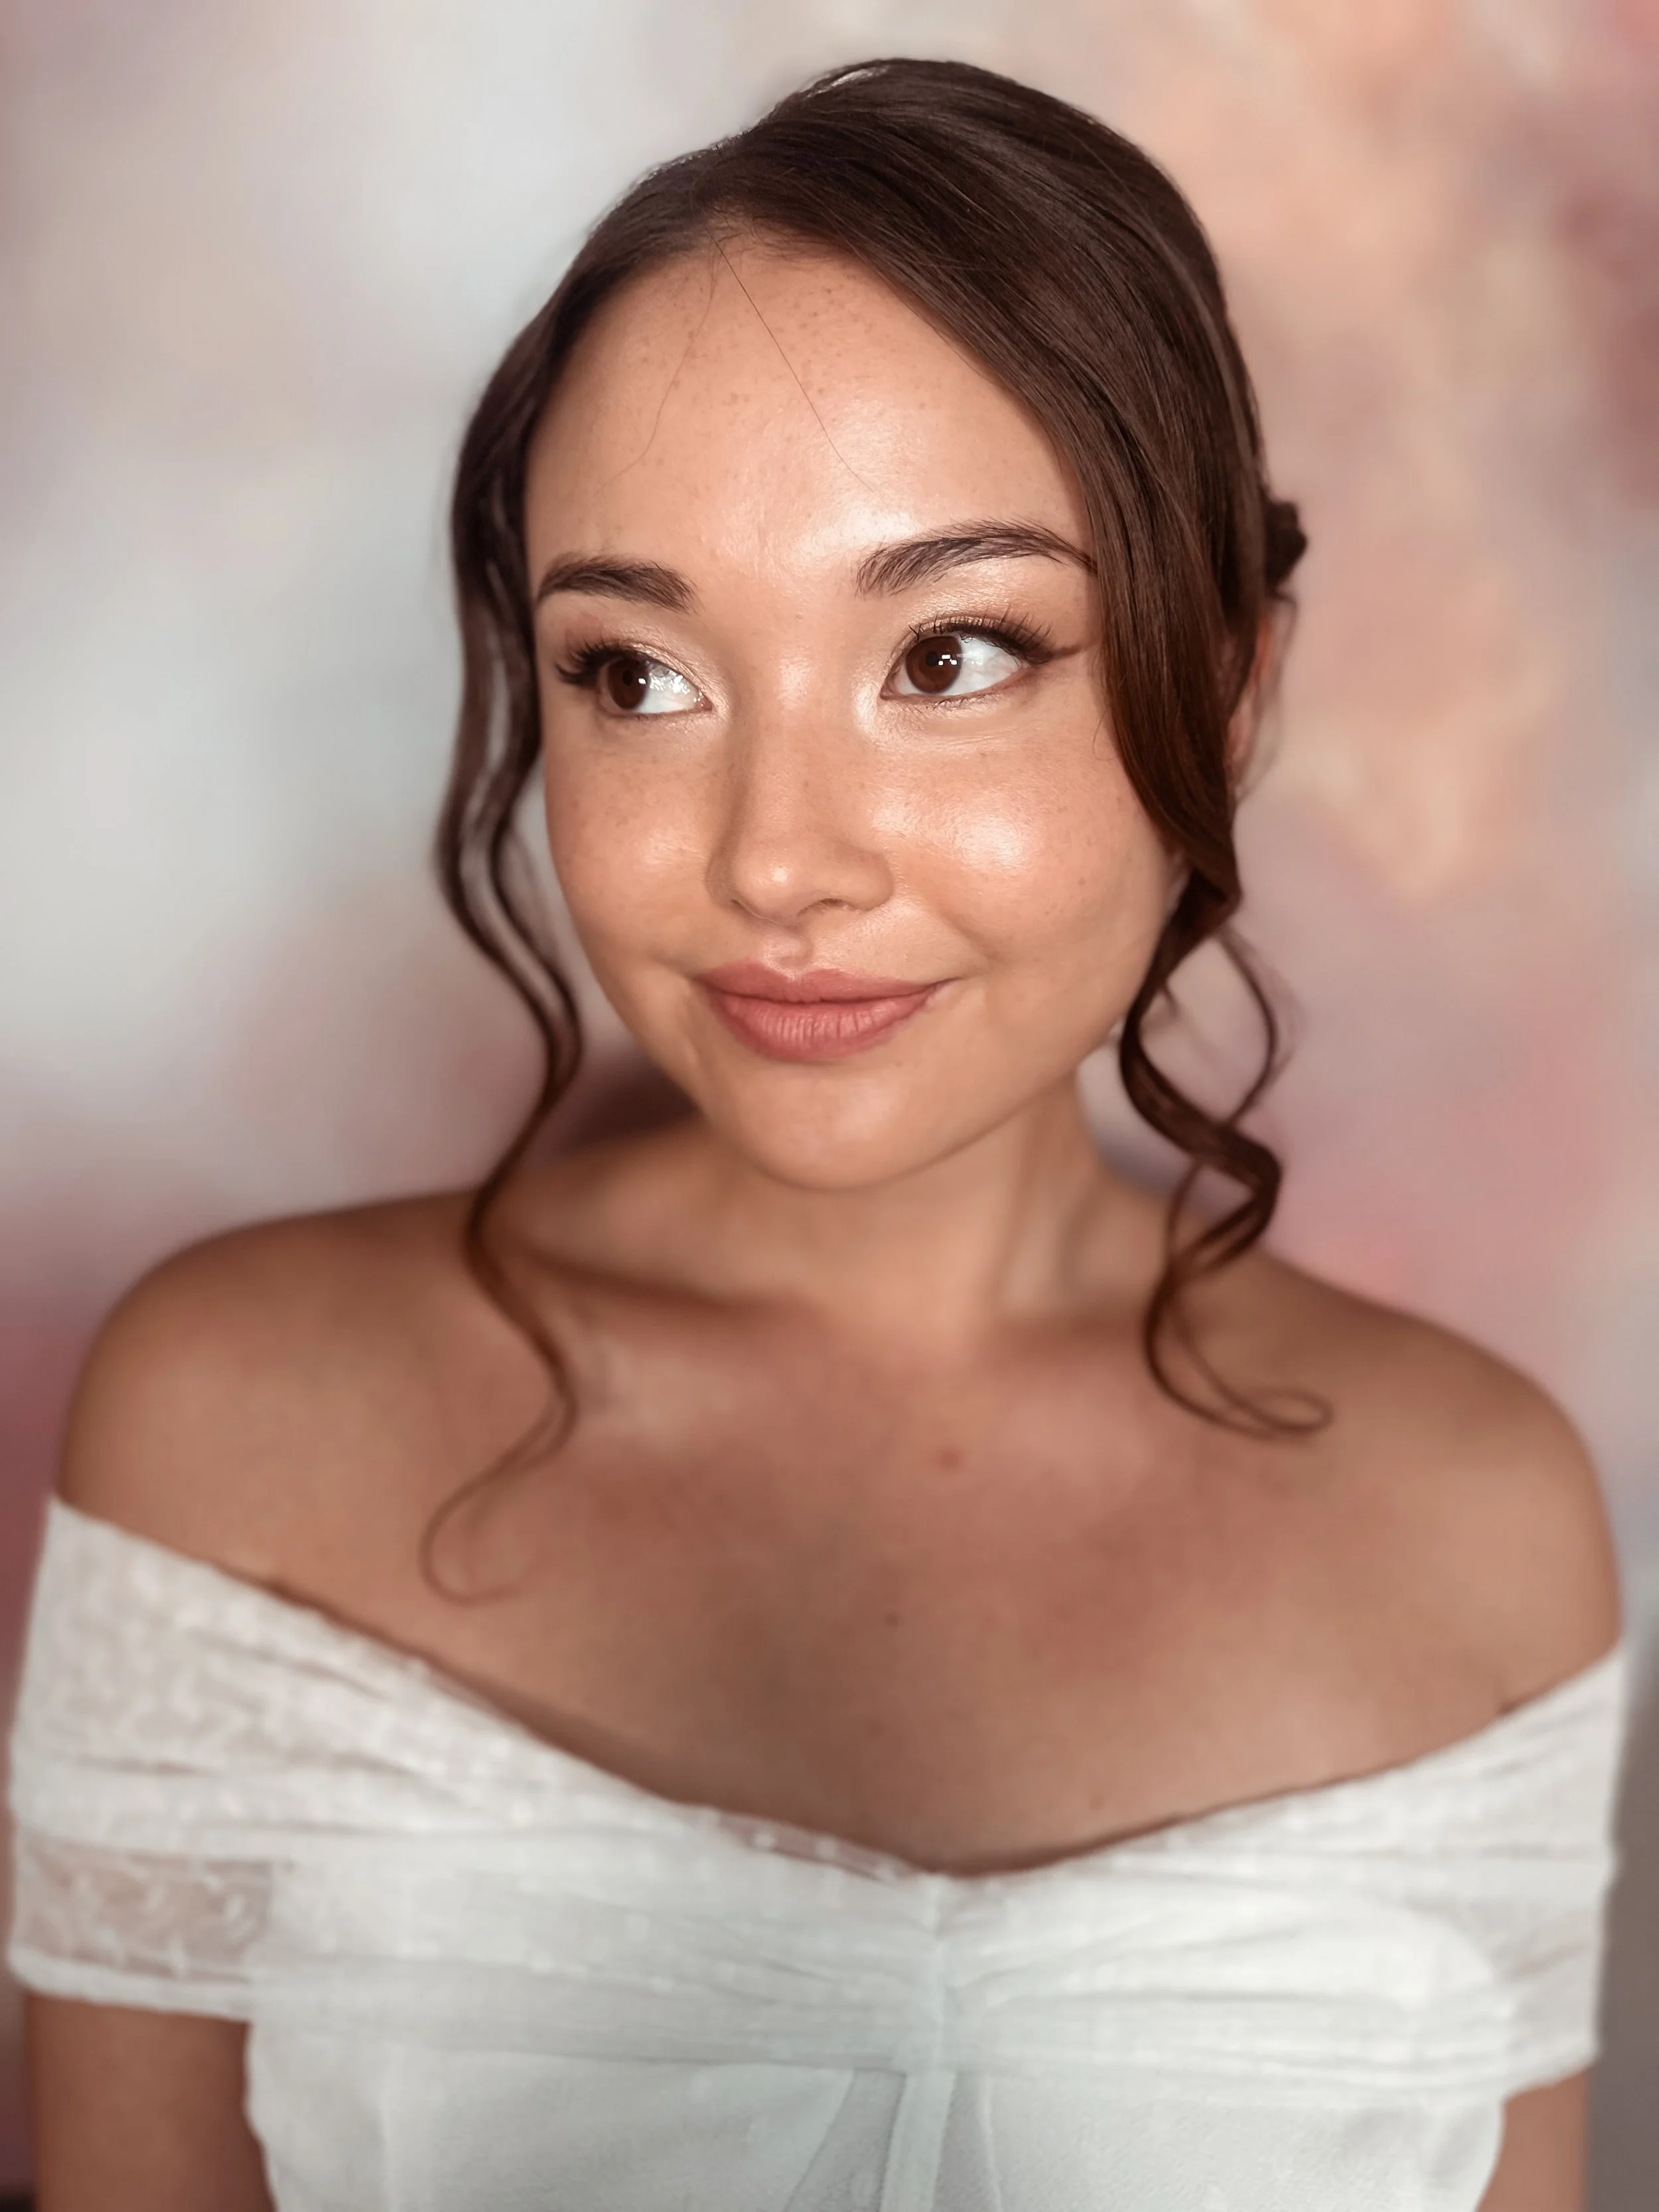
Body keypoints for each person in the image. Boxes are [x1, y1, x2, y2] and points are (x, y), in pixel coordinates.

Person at [7, 55, 1625, 2212]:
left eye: (950, 652)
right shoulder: (238, 1427)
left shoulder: (1478, 1524)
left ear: (1223, 693)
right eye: (639, 676)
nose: (774, 857)